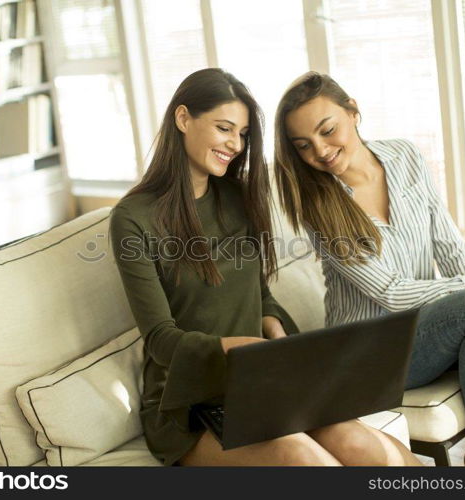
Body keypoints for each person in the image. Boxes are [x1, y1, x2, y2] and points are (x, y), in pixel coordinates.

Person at [110, 68, 422, 466]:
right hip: (187, 405)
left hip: (259, 383)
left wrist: (277, 336)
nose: (235, 144)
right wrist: (238, 349)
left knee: (362, 445)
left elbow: (260, 294)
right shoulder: (133, 218)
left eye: (241, 134)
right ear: (183, 118)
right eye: (224, 128)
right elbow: (161, 339)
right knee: (303, 458)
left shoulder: (237, 197)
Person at [273, 71, 465, 466]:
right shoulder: (319, 204)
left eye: (327, 130)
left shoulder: (404, 156)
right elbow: (390, 291)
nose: (321, 150)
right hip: (370, 354)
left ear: (353, 113)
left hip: (433, 326)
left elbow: (450, 245)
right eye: (304, 145)